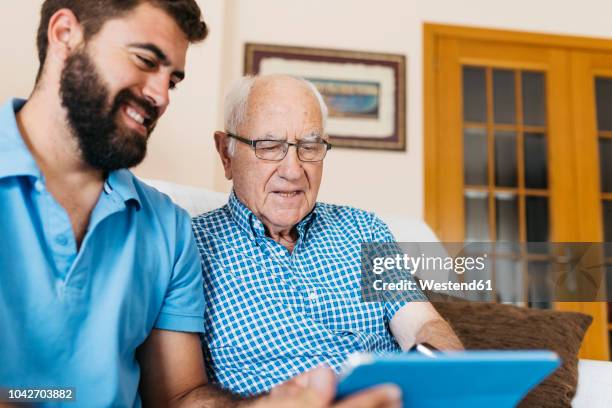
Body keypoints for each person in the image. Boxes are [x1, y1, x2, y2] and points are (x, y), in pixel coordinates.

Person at [0, 1, 400, 407]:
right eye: (144, 60)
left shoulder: (166, 228)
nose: (161, 97)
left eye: (172, 81)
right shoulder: (201, 237)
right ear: (65, 34)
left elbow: (179, 396)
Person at [192, 74, 464, 396]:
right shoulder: (187, 249)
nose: (293, 171)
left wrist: (449, 382)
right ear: (226, 154)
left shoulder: (364, 230)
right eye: (269, 146)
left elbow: (421, 324)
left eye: (309, 147)